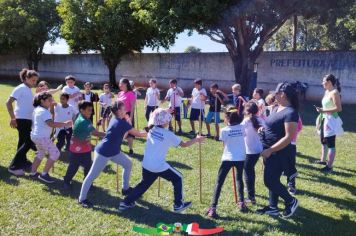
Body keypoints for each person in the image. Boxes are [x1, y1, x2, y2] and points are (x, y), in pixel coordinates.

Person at [119, 108, 205, 212]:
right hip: (158, 166)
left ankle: (126, 202)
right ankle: (178, 205)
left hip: (146, 164)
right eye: (168, 119)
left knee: (144, 184)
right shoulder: (168, 134)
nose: (169, 121)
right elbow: (184, 144)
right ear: (165, 122)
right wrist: (197, 139)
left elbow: (156, 114)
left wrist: (166, 110)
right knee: (178, 178)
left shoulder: (152, 128)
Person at [78, 101, 147, 208]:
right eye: (124, 109)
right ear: (119, 111)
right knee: (92, 175)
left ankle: (125, 189)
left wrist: (128, 122)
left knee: (128, 164)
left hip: (114, 151)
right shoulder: (121, 122)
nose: (126, 110)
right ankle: (82, 199)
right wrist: (151, 130)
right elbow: (138, 134)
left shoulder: (116, 119)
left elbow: (123, 137)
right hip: (104, 152)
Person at [257, 82, 299, 218]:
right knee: (273, 179)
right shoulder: (276, 108)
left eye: (276, 93)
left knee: (269, 180)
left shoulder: (291, 113)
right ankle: (273, 207)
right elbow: (272, 125)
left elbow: (288, 137)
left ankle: (291, 201)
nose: (274, 95)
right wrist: (264, 129)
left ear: (284, 95)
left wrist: (270, 150)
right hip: (270, 151)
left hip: (280, 152)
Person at [206, 106, 247, 218]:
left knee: (219, 183)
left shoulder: (224, 130)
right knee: (239, 179)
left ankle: (213, 208)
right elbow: (243, 137)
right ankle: (242, 202)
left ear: (228, 118)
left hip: (228, 158)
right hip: (240, 158)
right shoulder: (242, 127)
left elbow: (224, 144)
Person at [29, 92, 72, 183]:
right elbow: (51, 124)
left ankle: (32, 173)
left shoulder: (37, 109)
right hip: (42, 137)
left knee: (41, 153)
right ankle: (44, 174)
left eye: (52, 99)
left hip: (35, 136)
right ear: (42, 101)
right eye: (49, 100)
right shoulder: (44, 112)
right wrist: (65, 124)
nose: (52, 101)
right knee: (55, 153)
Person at [63, 101, 105, 189]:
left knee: (88, 166)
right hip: (77, 148)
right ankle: (66, 181)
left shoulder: (84, 118)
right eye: (89, 110)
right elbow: (95, 133)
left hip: (85, 147)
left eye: (91, 110)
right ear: (82, 110)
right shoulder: (83, 121)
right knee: (74, 166)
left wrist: (97, 124)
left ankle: (88, 182)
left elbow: (91, 130)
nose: (91, 112)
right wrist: (108, 133)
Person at [6, 68, 39, 176]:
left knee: (23, 141)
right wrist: (12, 118)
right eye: (33, 80)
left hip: (28, 119)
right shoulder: (20, 88)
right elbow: (8, 103)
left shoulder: (28, 89)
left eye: (36, 80)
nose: (35, 83)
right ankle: (13, 167)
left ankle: (22, 162)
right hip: (21, 119)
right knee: (28, 142)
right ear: (26, 78)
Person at [314, 74, 343, 173]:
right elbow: (327, 107)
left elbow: (338, 108)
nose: (322, 83)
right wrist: (322, 111)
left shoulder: (335, 92)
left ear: (329, 82)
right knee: (323, 141)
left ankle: (329, 167)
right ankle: (323, 160)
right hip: (324, 119)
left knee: (331, 144)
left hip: (331, 121)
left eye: (324, 81)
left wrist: (324, 111)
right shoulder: (327, 91)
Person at [241, 101, 265, 204]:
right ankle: (248, 189)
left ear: (247, 111)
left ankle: (251, 197)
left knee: (248, 172)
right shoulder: (261, 120)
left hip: (250, 151)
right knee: (250, 171)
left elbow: (240, 133)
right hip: (259, 149)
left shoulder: (246, 121)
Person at [117, 78, 137, 155]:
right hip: (119, 115)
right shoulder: (119, 93)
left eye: (121, 83)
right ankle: (118, 147)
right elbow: (117, 104)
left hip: (127, 115)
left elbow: (132, 107)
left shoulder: (131, 93)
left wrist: (131, 118)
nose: (119, 85)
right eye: (119, 83)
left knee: (129, 133)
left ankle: (130, 149)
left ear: (125, 84)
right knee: (119, 132)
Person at [285, 116, 303, 195]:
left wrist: (293, 135)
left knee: (290, 165)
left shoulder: (294, 114)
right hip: (280, 143)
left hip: (291, 144)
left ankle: (291, 185)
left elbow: (299, 127)